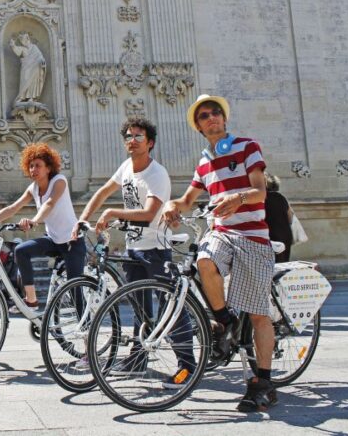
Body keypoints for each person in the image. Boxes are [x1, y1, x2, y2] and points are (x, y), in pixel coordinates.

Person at [162, 94, 278, 413]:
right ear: (199, 127)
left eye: (216, 113)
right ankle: (224, 321)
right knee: (203, 259)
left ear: (224, 120)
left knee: (258, 314)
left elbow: (260, 189)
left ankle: (263, 383)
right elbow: (187, 199)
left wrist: (239, 199)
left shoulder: (246, 147)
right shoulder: (203, 162)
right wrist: (172, 207)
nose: (211, 118)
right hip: (223, 234)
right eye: (204, 116)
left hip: (253, 236)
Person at [71, 118, 194, 385]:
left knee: (170, 304)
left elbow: (150, 213)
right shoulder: (126, 167)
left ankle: (188, 365)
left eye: (139, 136)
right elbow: (103, 191)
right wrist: (82, 218)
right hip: (134, 247)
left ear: (150, 143)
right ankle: (138, 357)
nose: (132, 140)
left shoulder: (156, 174)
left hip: (156, 248)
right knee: (139, 306)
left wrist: (113, 212)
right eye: (129, 136)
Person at [0, 143, 85, 310]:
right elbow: (12, 208)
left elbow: (50, 203)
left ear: (48, 168)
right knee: (21, 250)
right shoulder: (33, 188)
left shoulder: (59, 181)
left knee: (75, 290)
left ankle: (87, 330)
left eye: (38, 166)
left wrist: (34, 220)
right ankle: (31, 300)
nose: (33, 170)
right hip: (53, 240)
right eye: (30, 166)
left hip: (72, 241)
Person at [264, 172, 293, 263]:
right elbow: (290, 217)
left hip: (269, 235)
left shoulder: (261, 199)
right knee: (283, 264)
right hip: (285, 234)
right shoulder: (281, 197)